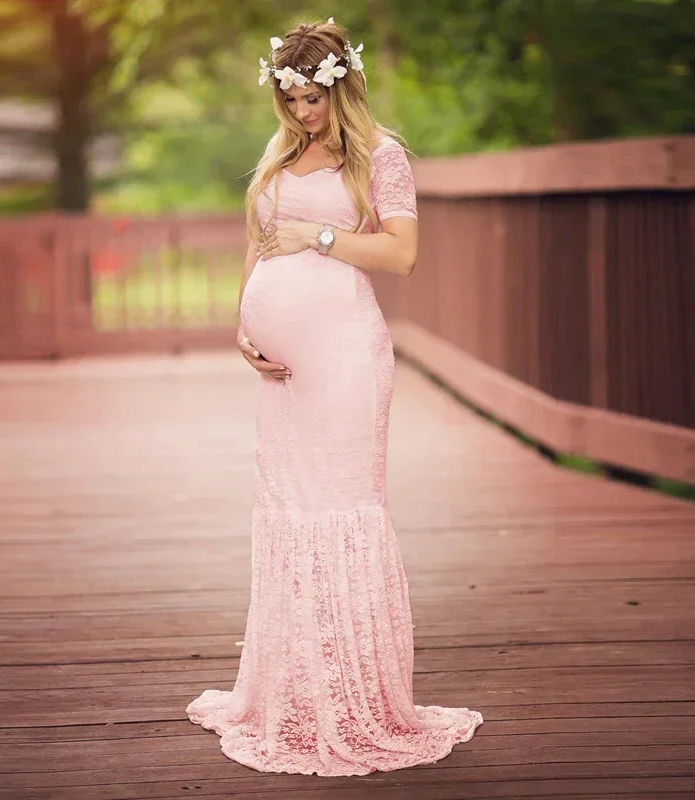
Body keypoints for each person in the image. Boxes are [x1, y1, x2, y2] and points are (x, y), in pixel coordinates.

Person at [185, 17, 483, 776]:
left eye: (310, 99)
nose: (298, 114)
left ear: (339, 87)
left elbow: (402, 254)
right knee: (289, 513)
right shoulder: (279, 154)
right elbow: (256, 243)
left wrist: (317, 239)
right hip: (282, 373)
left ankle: (358, 702)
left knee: (342, 510)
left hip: (347, 360)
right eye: (287, 100)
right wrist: (242, 326)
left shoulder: (381, 157)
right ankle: (294, 691)